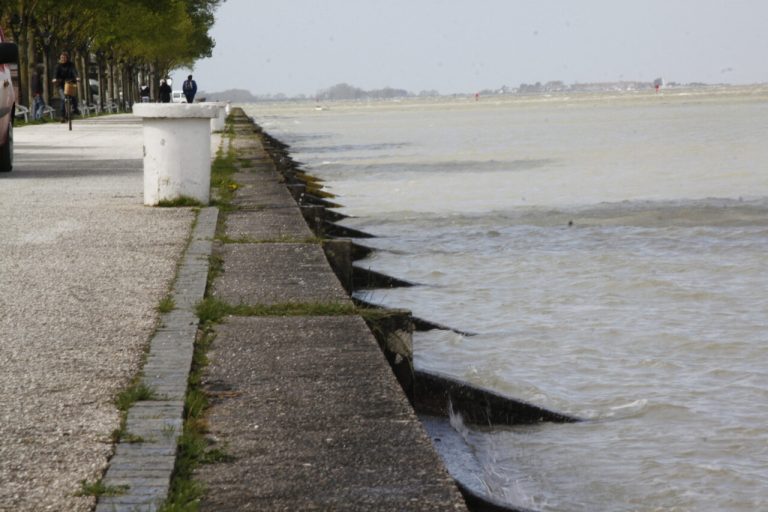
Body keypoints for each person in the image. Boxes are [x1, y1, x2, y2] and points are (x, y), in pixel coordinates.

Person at [52, 51, 79, 122]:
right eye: (61, 57)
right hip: (61, 85)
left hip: (70, 83)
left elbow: (74, 71)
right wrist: (54, 79)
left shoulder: (71, 65)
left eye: (64, 57)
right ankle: (62, 116)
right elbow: (55, 73)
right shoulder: (58, 66)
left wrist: (77, 77)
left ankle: (75, 109)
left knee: (73, 97)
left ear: (67, 58)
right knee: (63, 99)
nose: (62, 59)